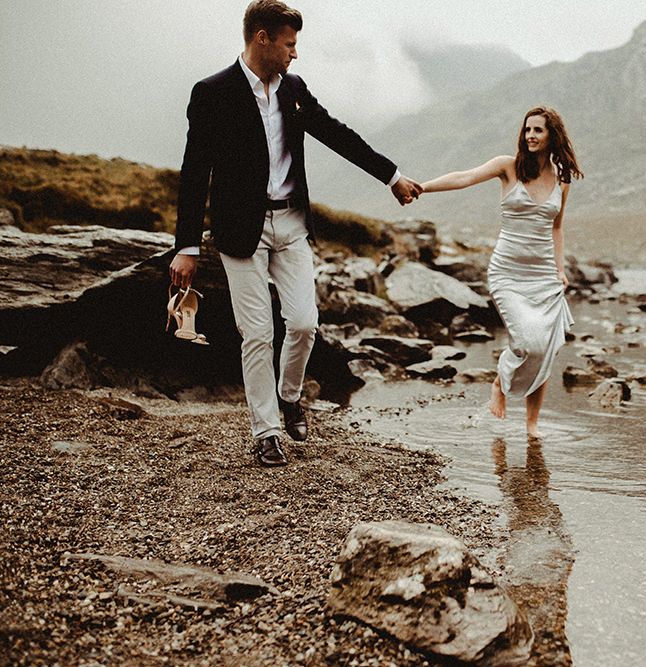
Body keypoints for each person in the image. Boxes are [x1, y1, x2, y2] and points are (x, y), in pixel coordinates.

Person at [169, 0, 421, 467]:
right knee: (258, 333)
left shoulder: (295, 89)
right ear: (261, 38)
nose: (295, 54)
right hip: (239, 231)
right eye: (290, 44)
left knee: (304, 323)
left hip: (291, 223)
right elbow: (193, 172)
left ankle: (289, 396)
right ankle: (265, 431)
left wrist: (392, 177)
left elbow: (337, 135)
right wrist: (185, 246)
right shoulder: (212, 92)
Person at [421, 107, 582, 439]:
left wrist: (560, 269)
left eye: (538, 130)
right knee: (529, 341)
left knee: (545, 350)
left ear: (553, 134)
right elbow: (463, 177)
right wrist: (423, 187)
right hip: (507, 274)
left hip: (544, 277)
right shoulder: (508, 167)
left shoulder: (562, 178)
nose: (531, 136)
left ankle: (532, 424)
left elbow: (557, 228)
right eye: (527, 130)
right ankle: (500, 382)